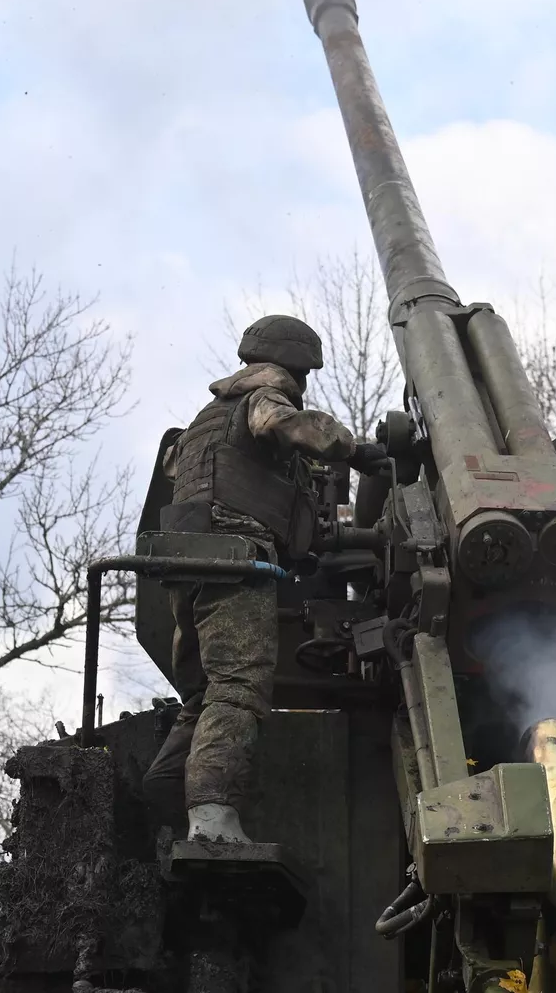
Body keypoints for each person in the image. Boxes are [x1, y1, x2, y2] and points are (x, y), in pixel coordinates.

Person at [144, 314, 387, 844]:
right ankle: (212, 820)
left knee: (203, 692)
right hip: (236, 558)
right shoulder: (263, 398)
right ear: (295, 367)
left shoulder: (205, 419)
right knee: (238, 685)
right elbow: (285, 425)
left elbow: (182, 475)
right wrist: (352, 448)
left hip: (185, 563)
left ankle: (161, 792)